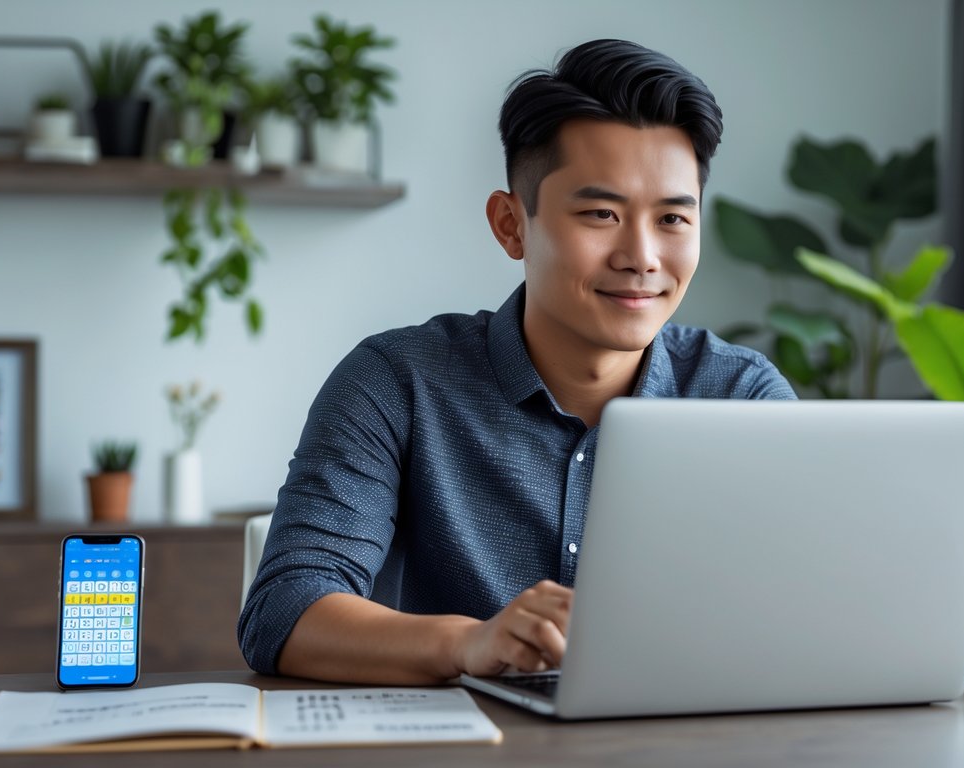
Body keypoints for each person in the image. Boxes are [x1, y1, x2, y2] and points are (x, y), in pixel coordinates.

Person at [238, 38, 796, 685]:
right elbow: (284, 611)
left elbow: (804, 608)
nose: (642, 256)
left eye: (672, 219)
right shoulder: (395, 381)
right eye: (600, 213)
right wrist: (469, 643)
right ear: (510, 225)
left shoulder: (742, 398)